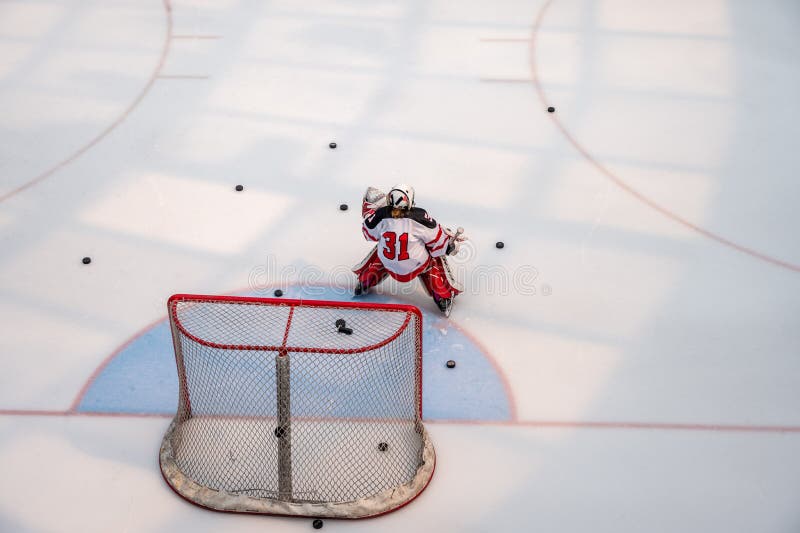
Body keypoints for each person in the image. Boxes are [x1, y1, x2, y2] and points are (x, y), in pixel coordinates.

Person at [352, 185, 465, 315]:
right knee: (435, 255)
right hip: (414, 268)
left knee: (381, 250)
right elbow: (439, 242)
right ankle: (442, 296)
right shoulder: (420, 216)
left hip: (388, 266)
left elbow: (368, 234)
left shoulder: (380, 215)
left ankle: (365, 281)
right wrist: (451, 245)